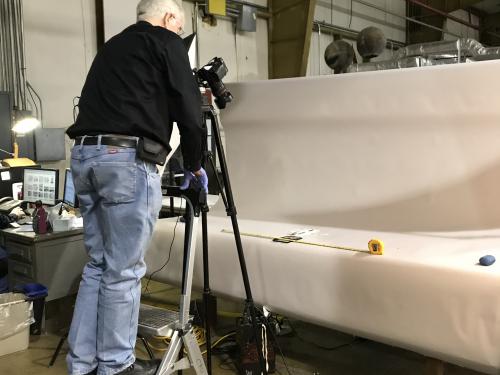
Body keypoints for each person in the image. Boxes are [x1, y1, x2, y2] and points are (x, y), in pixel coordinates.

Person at [65, 0, 208, 374]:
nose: (179, 35)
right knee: (123, 271)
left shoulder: (112, 46)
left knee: (98, 265)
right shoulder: (166, 42)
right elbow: (191, 113)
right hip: (125, 160)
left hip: (84, 157)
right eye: (179, 28)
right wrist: (195, 166)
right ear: (169, 18)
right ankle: (115, 366)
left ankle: (81, 365)